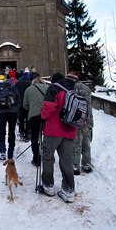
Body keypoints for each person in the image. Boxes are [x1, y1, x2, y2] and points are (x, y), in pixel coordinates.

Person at [37, 71, 78, 203]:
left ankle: (48, 186)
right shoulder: (75, 90)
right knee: (67, 161)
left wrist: (41, 117)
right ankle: (68, 190)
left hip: (53, 130)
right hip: (70, 130)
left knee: (48, 157)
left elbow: (48, 107)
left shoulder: (54, 88)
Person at [0, 75, 20, 161]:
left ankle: (2, 151)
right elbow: (18, 99)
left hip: (1, 112)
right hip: (12, 112)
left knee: (2, 131)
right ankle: (10, 152)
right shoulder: (13, 87)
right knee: (11, 131)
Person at [23, 75, 48, 166]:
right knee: (48, 137)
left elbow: (25, 105)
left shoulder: (29, 89)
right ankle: (48, 157)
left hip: (33, 116)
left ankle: (36, 158)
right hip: (46, 116)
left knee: (34, 138)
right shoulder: (48, 88)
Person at [73, 80, 94, 175]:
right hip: (89, 121)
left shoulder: (75, 89)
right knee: (86, 144)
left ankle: (75, 166)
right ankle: (86, 165)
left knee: (77, 144)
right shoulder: (88, 91)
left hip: (79, 121)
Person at [15, 69, 32, 141]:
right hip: (27, 103)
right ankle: (28, 133)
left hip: (20, 103)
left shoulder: (18, 83)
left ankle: (21, 132)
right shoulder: (29, 83)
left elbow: (15, 92)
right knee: (28, 118)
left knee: (21, 118)